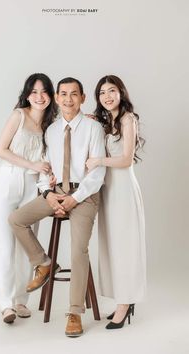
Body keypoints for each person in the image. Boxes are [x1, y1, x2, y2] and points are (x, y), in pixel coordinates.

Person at [8, 77, 106, 337]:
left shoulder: (93, 129)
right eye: (63, 94)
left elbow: (97, 173)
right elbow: (46, 168)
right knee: (17, 219)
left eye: (74, 94)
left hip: (84, 194)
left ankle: (74, 312)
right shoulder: (51, 130)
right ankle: (44, 262)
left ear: (83, 98)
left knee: (78, 250)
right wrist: (49, 195)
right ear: (58, 97)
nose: (68, 99)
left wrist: (75, 198)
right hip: (57, 191)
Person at [0, 73, 57, 324]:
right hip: (7, 181)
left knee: (26, 244)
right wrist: (32, 164)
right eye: (34, 92)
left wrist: (48, 178)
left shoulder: (50, 125)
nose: (39, 97)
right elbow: (0, 149)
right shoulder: (18, 115)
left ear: (50, 94)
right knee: (5, 245)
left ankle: (21, 301)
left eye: (44, 92)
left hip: (33, 186)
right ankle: (6, 304)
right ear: (27, 94)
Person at [86, 75, 146, 330]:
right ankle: (122, 298)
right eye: (102, 92)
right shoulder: (106, 121)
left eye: (112, 90)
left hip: (123, 189)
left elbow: (126, 160)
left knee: (125, 247)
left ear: (121, 93)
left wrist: (98, 161)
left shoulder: (127, 119)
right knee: (111, 245)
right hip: (107, 190)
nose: (107, 96)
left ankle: (125, 303)